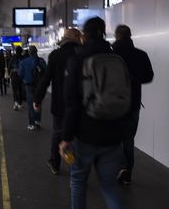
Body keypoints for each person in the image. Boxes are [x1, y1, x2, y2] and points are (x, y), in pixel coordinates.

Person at [60, 17, 126, 209]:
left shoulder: (77, 60)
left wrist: (66, 138)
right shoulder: (116, 59)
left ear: (84, 36)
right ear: (103, 32)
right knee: (109, 186)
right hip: (113, 133)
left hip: (84, 134)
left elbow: (71, 104)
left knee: (78, 182)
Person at [33, 28, 82, 175]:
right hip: (81, 104)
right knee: (78, 136)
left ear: (64, 39)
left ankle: (55, 163)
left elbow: (46, 79)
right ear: (76, 37)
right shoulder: (82, 53)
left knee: (57, 133)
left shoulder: (55, 55)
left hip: (60, 102)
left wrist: (37, 98)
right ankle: (76, 166)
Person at [112, 24, 154, 185]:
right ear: (130, 35)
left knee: (114, 138)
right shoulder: (141, 55)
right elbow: (149, 76)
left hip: (113, 103)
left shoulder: (111, 54)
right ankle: (127, 174)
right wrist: (134, 79)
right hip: (133, 103)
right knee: (128, 140)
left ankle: (118, 169)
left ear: (117, 36)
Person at [18, 45, 46, 130]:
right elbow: (46, 72)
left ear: (29, 53)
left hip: (29, 85)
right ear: (36, 52)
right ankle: (37, 121)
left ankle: (31, 124)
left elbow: (20, 74)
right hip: (39, 85)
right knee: (38, 102)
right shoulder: (41, 61)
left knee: (31, 104)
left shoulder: (23, 62)